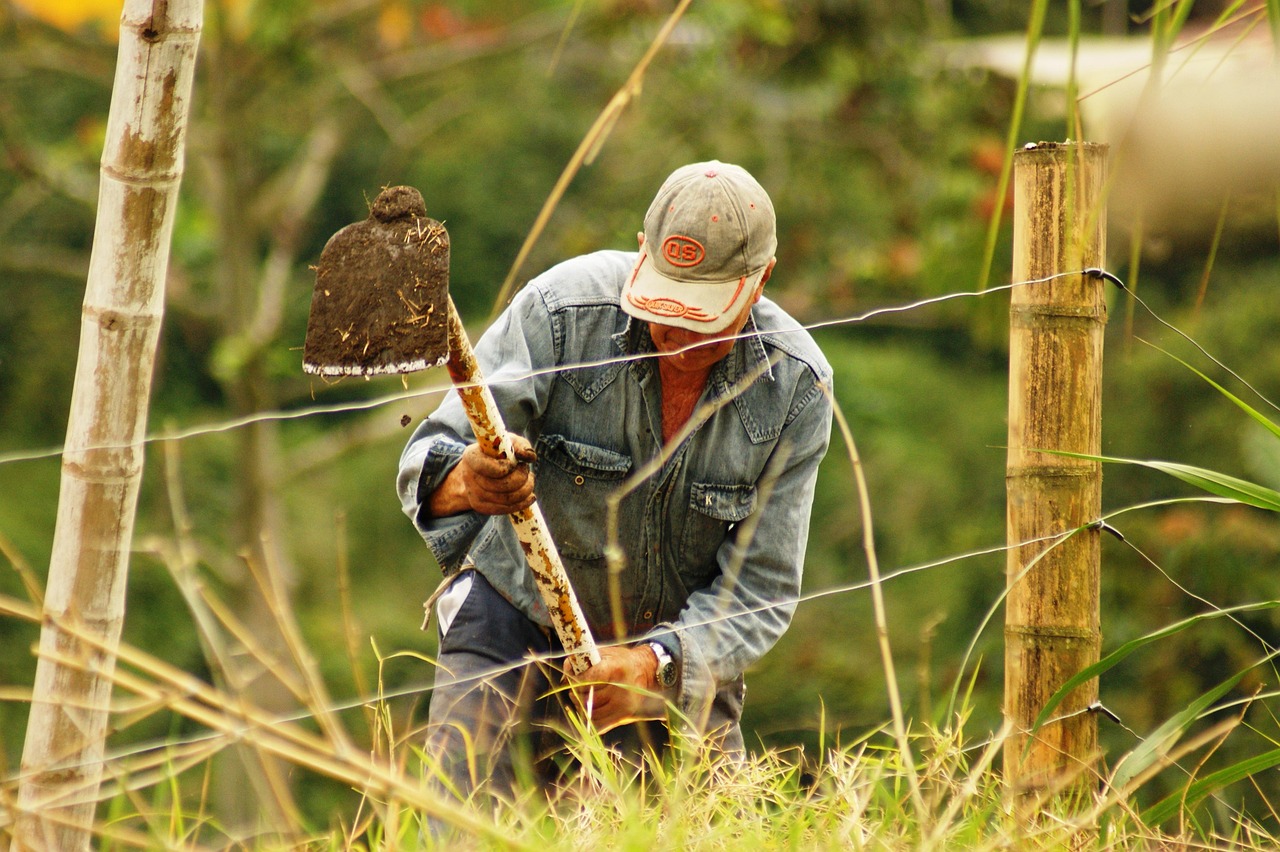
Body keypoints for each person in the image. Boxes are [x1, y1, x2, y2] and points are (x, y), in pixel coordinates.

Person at [397, 160, 833, 800]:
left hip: (670, 661)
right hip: (513, 621)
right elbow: (429, 462)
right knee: (463, 827)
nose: (679, 337)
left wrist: (650, 668)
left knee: (697, 834)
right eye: (665, 310)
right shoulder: (561, 313)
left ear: (760, 280)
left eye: (704, 319)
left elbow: (760, 588)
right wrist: (469, 481)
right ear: (643, 254)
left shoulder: (795, 387)